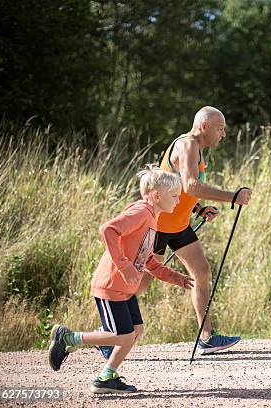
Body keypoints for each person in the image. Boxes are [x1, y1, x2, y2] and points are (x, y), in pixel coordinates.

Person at [48, 165, 194, 394]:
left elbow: (147, 261)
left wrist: (175, 277)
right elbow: (108, 229)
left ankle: (106, 376)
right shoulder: (141, 213)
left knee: (135, 330)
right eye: (174, 196)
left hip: (125, 289)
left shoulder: (152, 219)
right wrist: (124, 267)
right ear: (157, 195)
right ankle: (68, 337)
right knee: (124, 336)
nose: (177, 201)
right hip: (112, 285)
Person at [136, 106, 252, 355]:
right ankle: (107, 332)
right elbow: (190, 184)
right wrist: (232, 196)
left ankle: (206, 337)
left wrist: (198, 209)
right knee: (141, 282)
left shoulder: (195, 148)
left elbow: (177, 186)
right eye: (220, 128)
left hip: (179, 226)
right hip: (158, 227)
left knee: (201, 271)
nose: (223, 134)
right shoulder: (188, 144)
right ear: (204, 126)